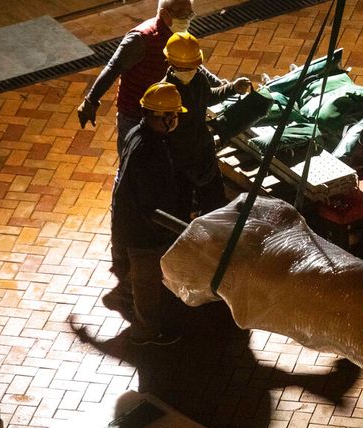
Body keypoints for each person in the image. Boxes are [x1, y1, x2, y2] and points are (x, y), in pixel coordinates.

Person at [110, 82, 192, 345]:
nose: (176, 119)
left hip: (133, 224)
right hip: (143, 231)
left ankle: (125, 293)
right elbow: (150, 205)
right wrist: (181, 228)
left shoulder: (138, 133)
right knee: (147, 282)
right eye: (174, 115)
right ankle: (145, 331)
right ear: (163, 117)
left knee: (141, 272)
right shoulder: (150, 152)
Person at [76, 0, 196, 158]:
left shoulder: (180, 35)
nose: (187, 19)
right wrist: (91, 101)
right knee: (130, 164)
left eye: (190, 14)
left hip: (163, 114)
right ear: (165, 14)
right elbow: (113, 68)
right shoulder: (141, 38)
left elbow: (191, 63)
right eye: (182, 15)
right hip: (135, 114)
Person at [161, 32, 250, 217]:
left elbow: (208, 97)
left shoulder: (198, 78)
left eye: (192, 67)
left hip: (203, 153)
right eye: (184, 68)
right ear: (170, 64)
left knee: (215, 205)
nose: (189, 71)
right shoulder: (165, 94)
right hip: (179, 162)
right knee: (181, 209)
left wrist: (232, 88)